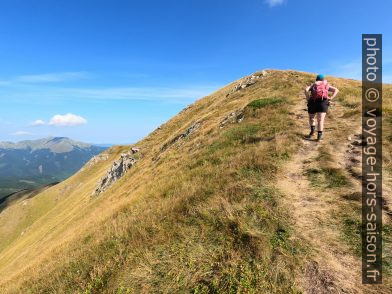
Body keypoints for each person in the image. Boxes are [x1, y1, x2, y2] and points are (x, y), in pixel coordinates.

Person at [304, 74, 339, 141]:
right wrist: (331, 98)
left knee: (311, 118)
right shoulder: (326, 85)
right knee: (320, 120)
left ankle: (312, 132)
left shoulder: (314, 84)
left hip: (312, 102)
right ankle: (319, 137)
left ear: (316, 79)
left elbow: (306, 90)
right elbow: (336, 90)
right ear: (323, 79)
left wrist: (308, 99)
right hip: (323, 103)